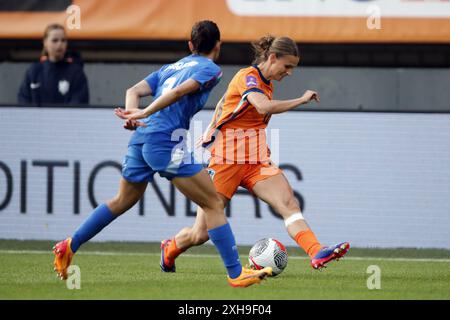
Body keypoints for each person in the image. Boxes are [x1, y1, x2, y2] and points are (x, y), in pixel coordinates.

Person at [52, 20, 272, 288]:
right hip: (164, 142)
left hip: (141, 139)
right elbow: (181, 92)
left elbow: (132, 91)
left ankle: (70, 245)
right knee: (213, 203)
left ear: (190, 45)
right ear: (218, 45)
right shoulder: (211, 69)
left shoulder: (170, 68)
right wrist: (143, 113)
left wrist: (133, 114)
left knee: (121, 200)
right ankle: (236, 273)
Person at [159, 35, 350, 273]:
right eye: (287, 66)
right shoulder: (247, 77)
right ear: (272, 57)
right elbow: (263, 106)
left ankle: (316, 251)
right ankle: (170, 248)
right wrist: (301, 99)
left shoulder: (266, 84)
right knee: (201, 234)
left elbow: (239, 108)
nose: (289, 72)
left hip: (256, 161)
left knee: (289, 204)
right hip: (225, 161)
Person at [18, 23, 89, 105]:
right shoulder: (34, 71)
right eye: (55, 40)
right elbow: (23, 100)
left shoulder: (76, 72)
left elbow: (78, 102)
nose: (59, 44)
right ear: (45, 43)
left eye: (63, 40)